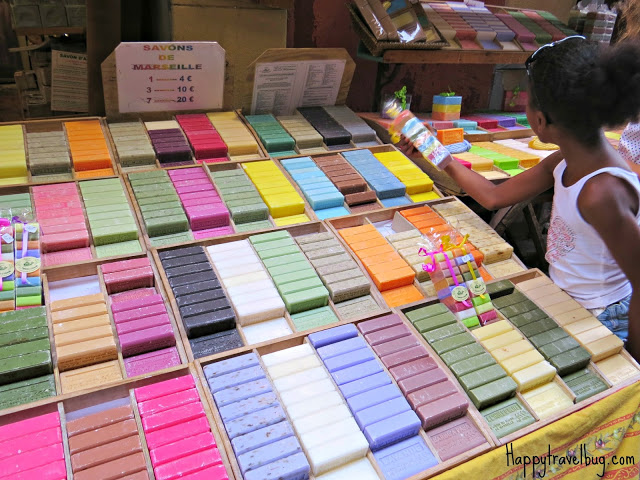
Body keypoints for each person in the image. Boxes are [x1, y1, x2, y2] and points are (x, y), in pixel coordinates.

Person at [398, 37, 640, 362]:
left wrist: (631, 365)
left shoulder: (601, 192)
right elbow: (495, 195)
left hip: (603, 317)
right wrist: (435, 154)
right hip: (568, 299)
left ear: (541, 121)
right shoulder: (564, 161)